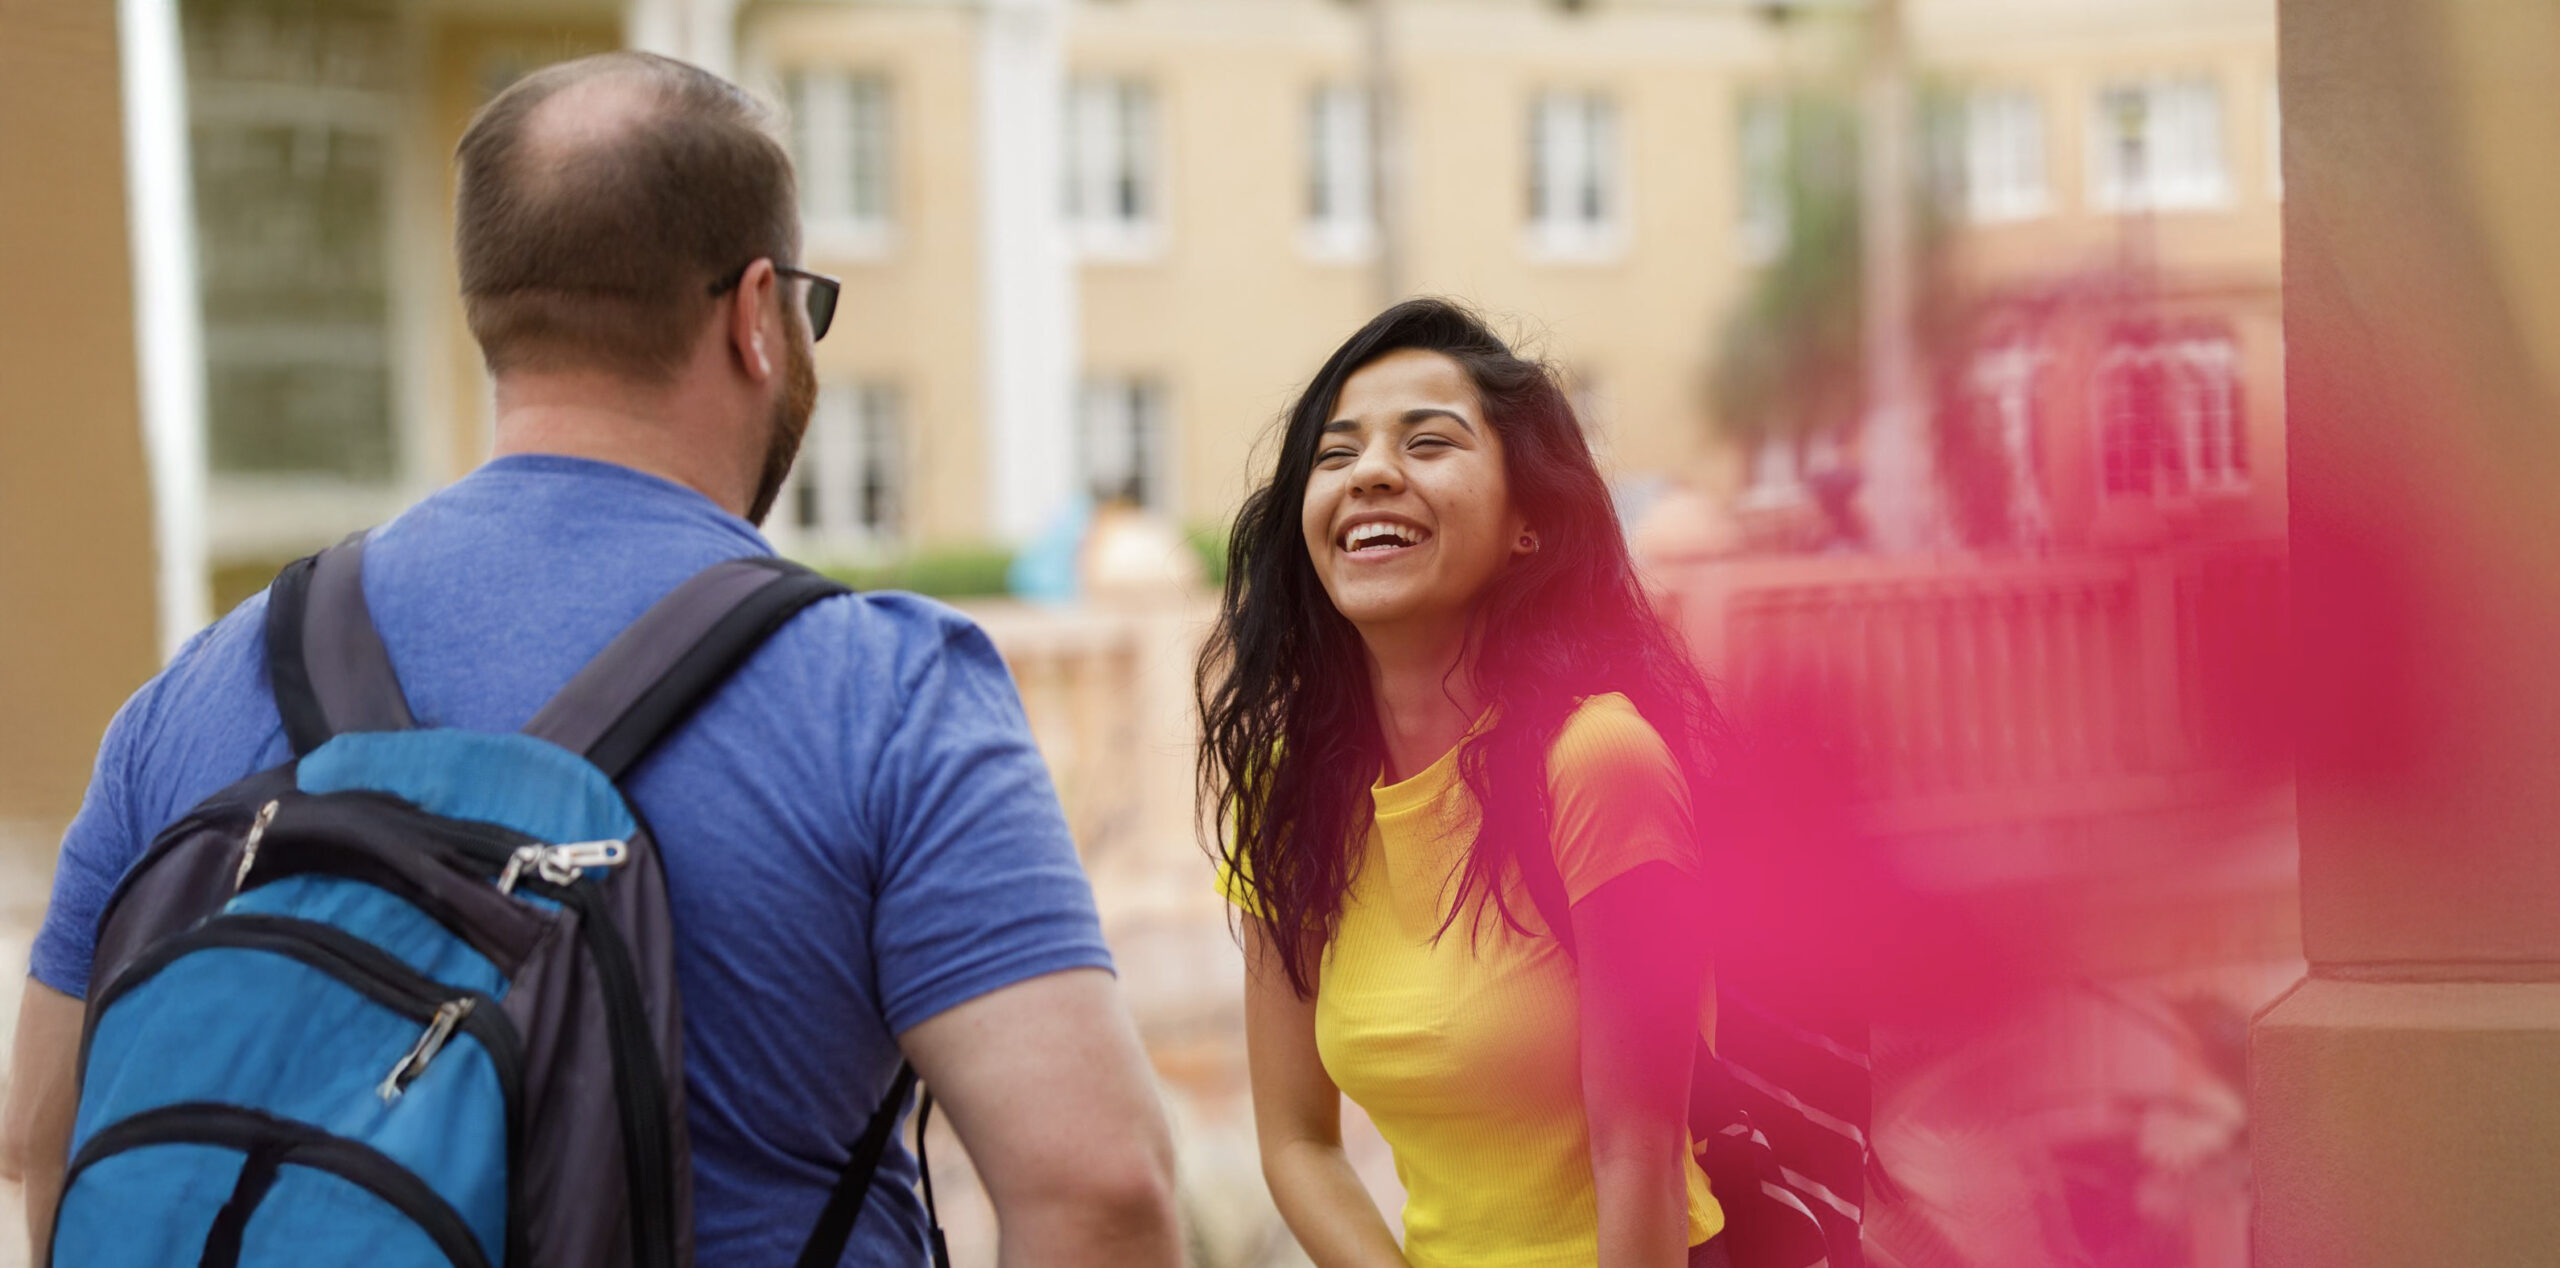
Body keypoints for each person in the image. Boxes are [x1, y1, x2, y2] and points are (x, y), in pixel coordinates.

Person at [0, 52, 1181, 1267]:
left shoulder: (194, 694)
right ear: (756, 315)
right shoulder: (880, 690)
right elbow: (1097, 1188)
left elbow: (45, 1141)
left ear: (491, 316)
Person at [1198, 299, 1731, 1267]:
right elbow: (1295, 1139)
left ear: (1528, 520)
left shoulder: (1599, 760)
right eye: (1334, 453)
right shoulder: (1289, 786)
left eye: (1428, 442)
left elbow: (1639, 1153)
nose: (1368, 472)